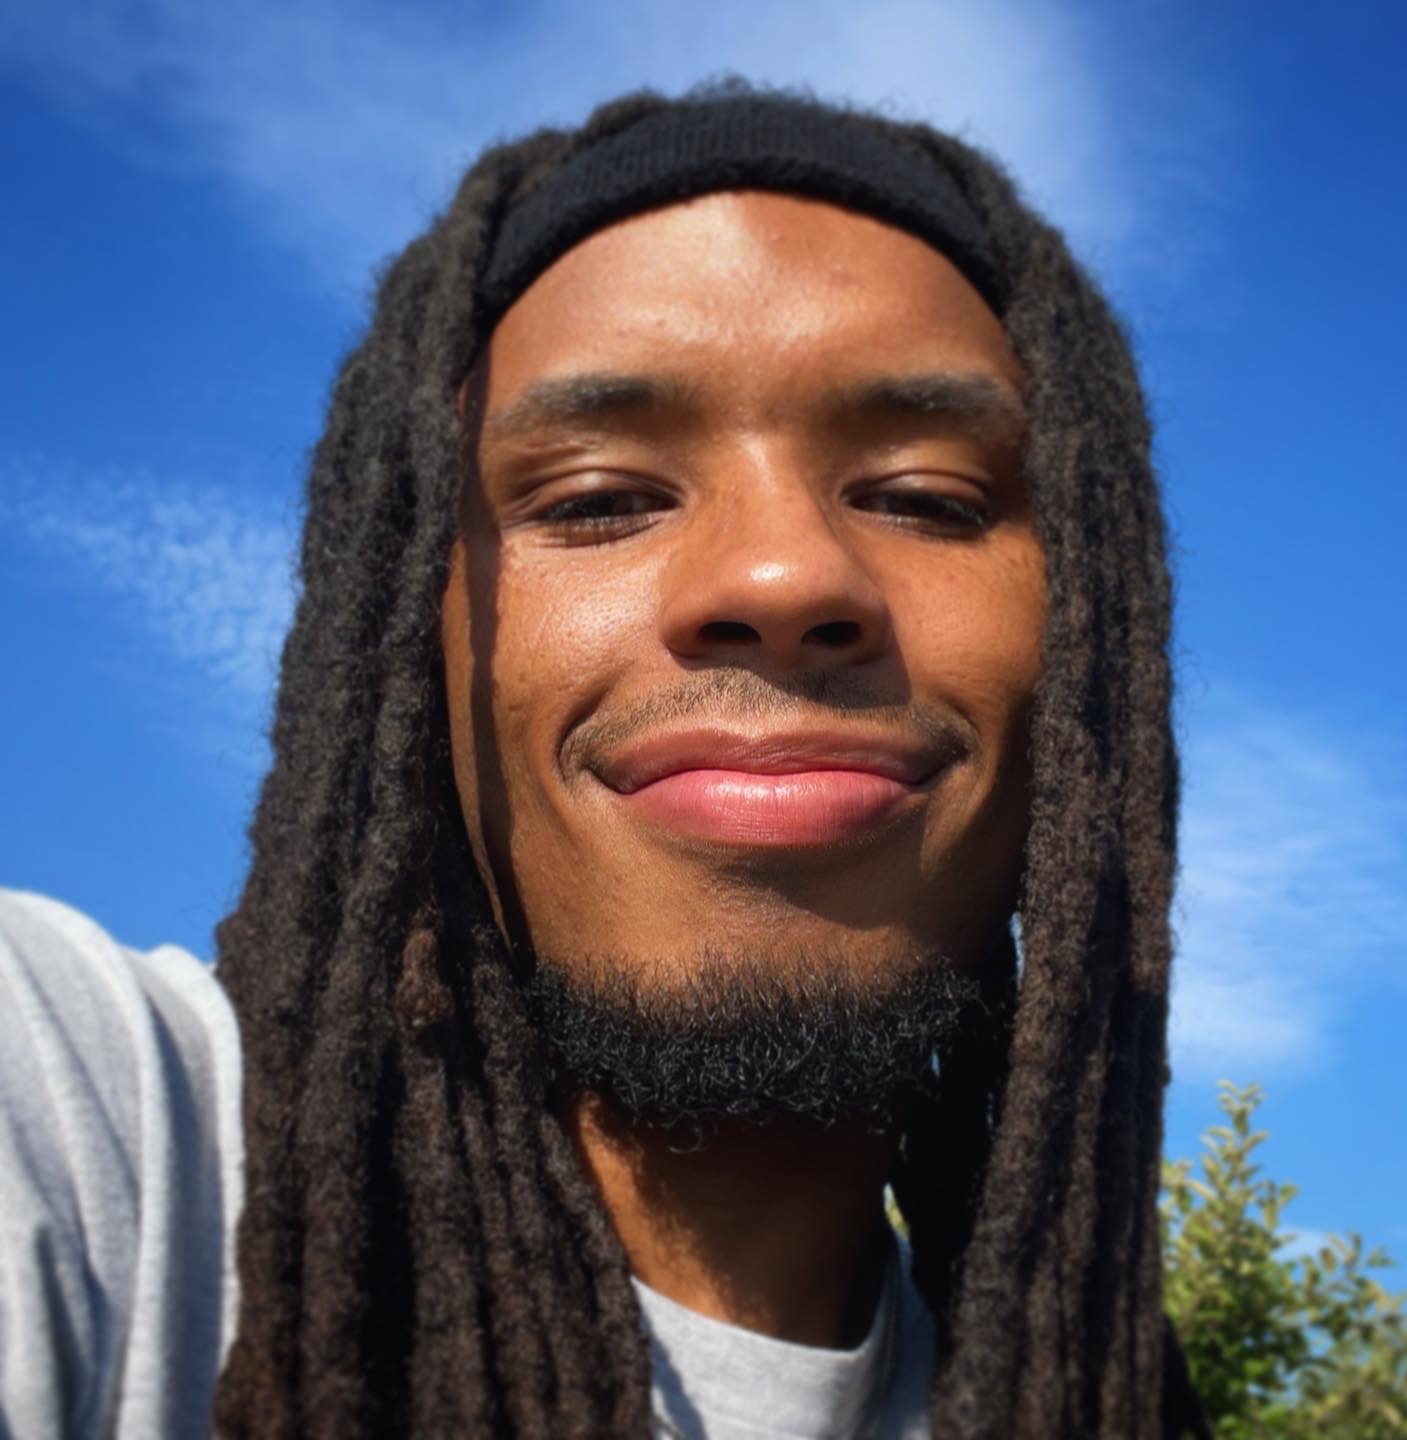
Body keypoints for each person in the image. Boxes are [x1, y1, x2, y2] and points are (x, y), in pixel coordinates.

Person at [0, 85, 1210, 1439]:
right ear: (404, 632)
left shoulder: (1092, 1401)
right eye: (598, 499)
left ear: (1096, 637)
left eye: (927, 499)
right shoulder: (81, 1123)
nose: (783, 576)